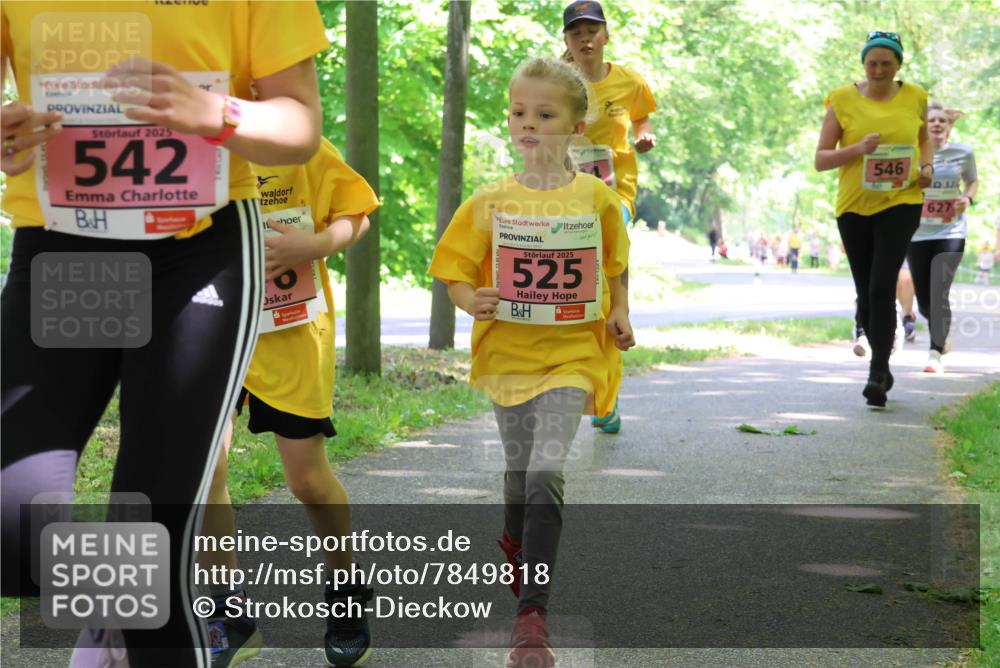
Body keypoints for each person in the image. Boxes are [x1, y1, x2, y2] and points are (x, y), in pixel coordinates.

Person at [0, 2, 328, 665]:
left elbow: (299, 125)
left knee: (151, 535)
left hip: (193, 250)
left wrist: (219, 114)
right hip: (69, 248)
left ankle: (134, 618)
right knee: (13, 526)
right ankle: (113, 611)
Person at [429, 57, 633, 668]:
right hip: (510, 356)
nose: (529, 124)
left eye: (545, 114)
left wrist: (620, 313)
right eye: (520, 113)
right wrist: (474, 300)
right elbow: (455, 277)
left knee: (546, 470)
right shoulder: (491, 200)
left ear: (576, 126)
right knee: (519, 477)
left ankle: (532, 616)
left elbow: (616, 267)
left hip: (575, 354)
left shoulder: (596, 198)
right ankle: (516, 538)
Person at [200, 139, 377, 667]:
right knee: (206, 467)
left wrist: (316, 245)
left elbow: (356, 212)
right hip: (213, 328)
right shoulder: (185, 140)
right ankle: (228, 613)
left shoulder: (293, 141)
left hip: (290, 330)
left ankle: (345, 589)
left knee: (305, 477)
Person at [814, 30, 932, 407]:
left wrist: (927, 166)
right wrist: (858, 149)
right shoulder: (842, 99)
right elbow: (821, 159)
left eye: (886, 63)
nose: (879, 69)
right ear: (863, 64)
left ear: (898, 65)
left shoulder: (915, 95)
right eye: (872, 63)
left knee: (883, 284)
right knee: (866, 289)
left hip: (902, 201)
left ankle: (878, 370)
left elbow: (923, 137)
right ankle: (882, 358)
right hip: (853, 207)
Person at [562, 0, 655, 434]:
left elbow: (642, 116)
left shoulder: (629, 81)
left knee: (607, 281)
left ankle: (607, 391)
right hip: (564, 195)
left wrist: (644, 135)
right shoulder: (557, 82)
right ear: (566, 40)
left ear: (605, 36)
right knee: (579, 292)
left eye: (592, 30)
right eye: (576, 32)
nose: (585, 39)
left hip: (616, 192)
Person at [907, 101, 978, 373]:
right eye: (931, 120)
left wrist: (967, 198)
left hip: (951, 230)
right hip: (917, 233)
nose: (936, 124)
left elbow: (972, 180)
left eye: (942, 120)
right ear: (924, 125)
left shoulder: (963, 152)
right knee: (925, 299)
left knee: (940, 290)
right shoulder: (912, 152)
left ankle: (935, 353)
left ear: (949, 126)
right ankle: (942, 328)